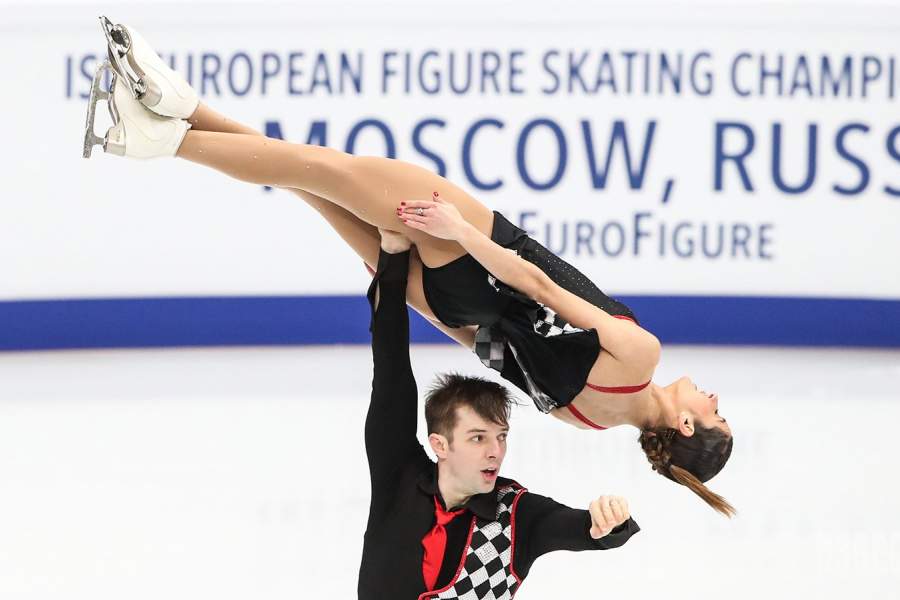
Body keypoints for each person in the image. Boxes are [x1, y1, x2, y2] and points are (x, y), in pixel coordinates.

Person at [83, 17, 734, 516]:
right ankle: (176, 102)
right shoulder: (588, 421)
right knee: (308, 182)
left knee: (320, 168)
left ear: (685, 426)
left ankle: (158, 137)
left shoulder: (642, 355)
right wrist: (402, 284)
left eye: (715, 413)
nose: (713, 399)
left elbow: (536, 281)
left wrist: (459, 232)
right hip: (450, 297)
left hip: (476, 249)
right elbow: (484, 347)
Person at [360, 228, 638, 599]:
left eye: (501, 436)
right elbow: (390, 365)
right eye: (478, 438)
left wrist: (608, 524)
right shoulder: (399, 474)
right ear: (440, 444)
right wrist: (393, 257)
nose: (495, 451)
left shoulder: (516, 516)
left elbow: (578, 528)